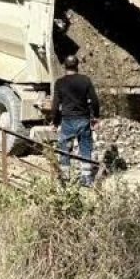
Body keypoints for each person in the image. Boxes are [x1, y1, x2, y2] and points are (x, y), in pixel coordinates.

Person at [52, 55, 100, 186]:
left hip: (67, 120)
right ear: (77, 65)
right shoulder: (85, 80)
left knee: (64, 148)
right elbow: (95, 101)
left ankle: (65, 178)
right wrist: (95, 117)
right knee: (85, 147)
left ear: (65, 66)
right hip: (83, 119)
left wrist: (55, 122)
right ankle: (86, 178)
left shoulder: (60, 83)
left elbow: (55, 105)